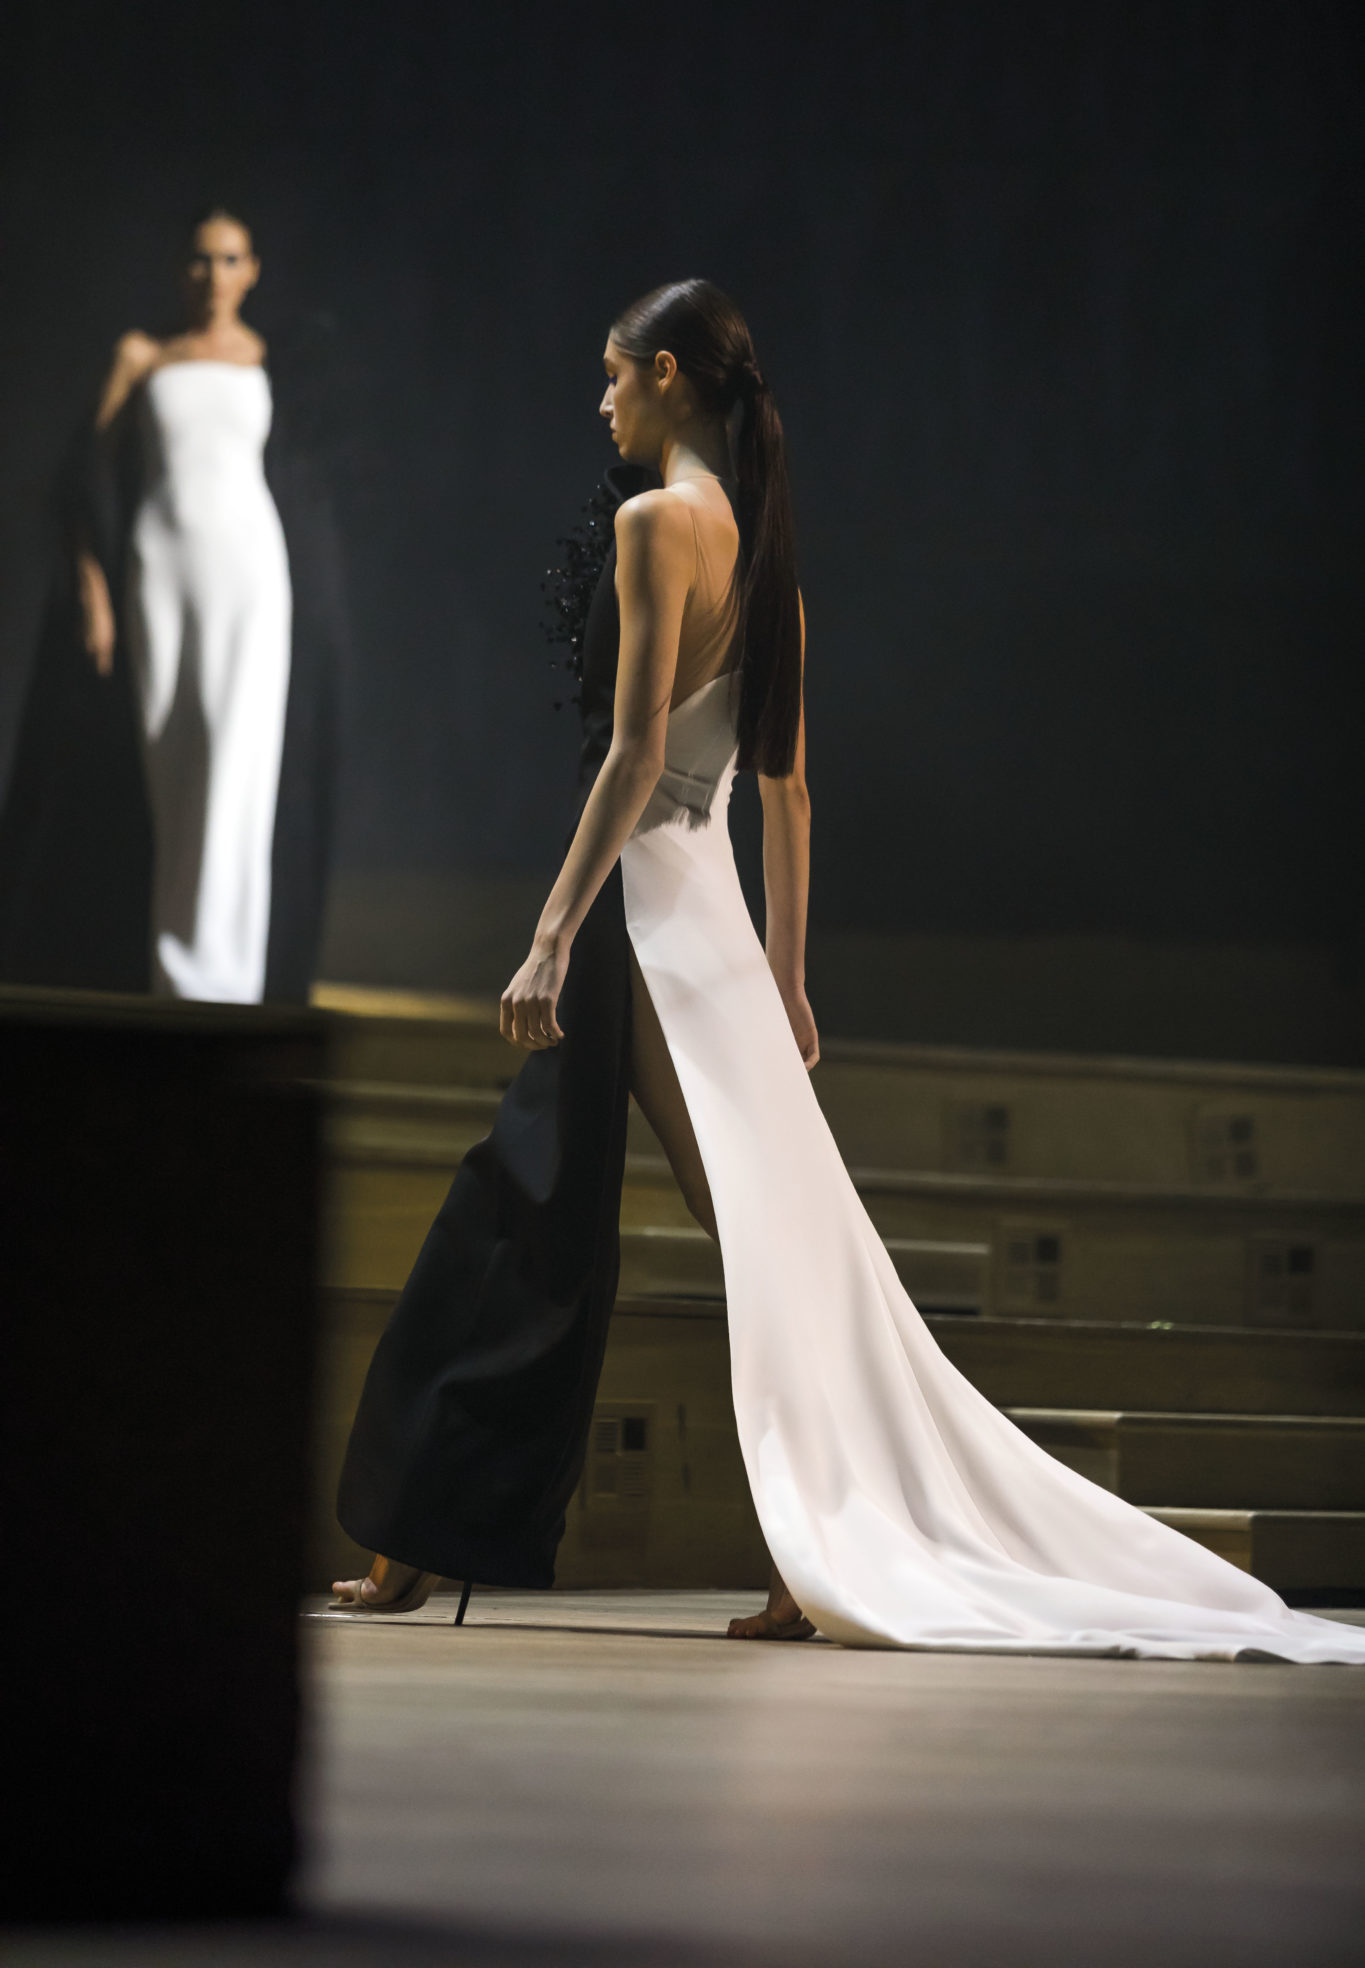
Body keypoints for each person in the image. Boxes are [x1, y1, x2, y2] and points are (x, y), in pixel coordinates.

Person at [333, 279, 1365, 1663]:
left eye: (615, 375)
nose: (603, 400)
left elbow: (638, 758)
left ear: (670, 374)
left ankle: (557, 1543)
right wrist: (789, 980)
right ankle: (723, 1552)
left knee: (550, 1211)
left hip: (646, 917)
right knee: (725, 1237)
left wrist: (550, 934)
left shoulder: (656, 527)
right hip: (710, 927)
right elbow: (787, 797)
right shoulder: (771, 573)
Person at [0, 210, 338, 1003]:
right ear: (180, 270)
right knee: (167, 759)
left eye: (230, 259)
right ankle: (168, 968)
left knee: (237, 761)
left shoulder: (271, 363)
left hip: (251, 575)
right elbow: (80, 476)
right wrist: (93, 591)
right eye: (200, 260)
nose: (214, 275)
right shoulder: (143, 355)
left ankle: (228, 979)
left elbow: (303, 487)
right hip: (159, 569)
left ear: (251, 271)